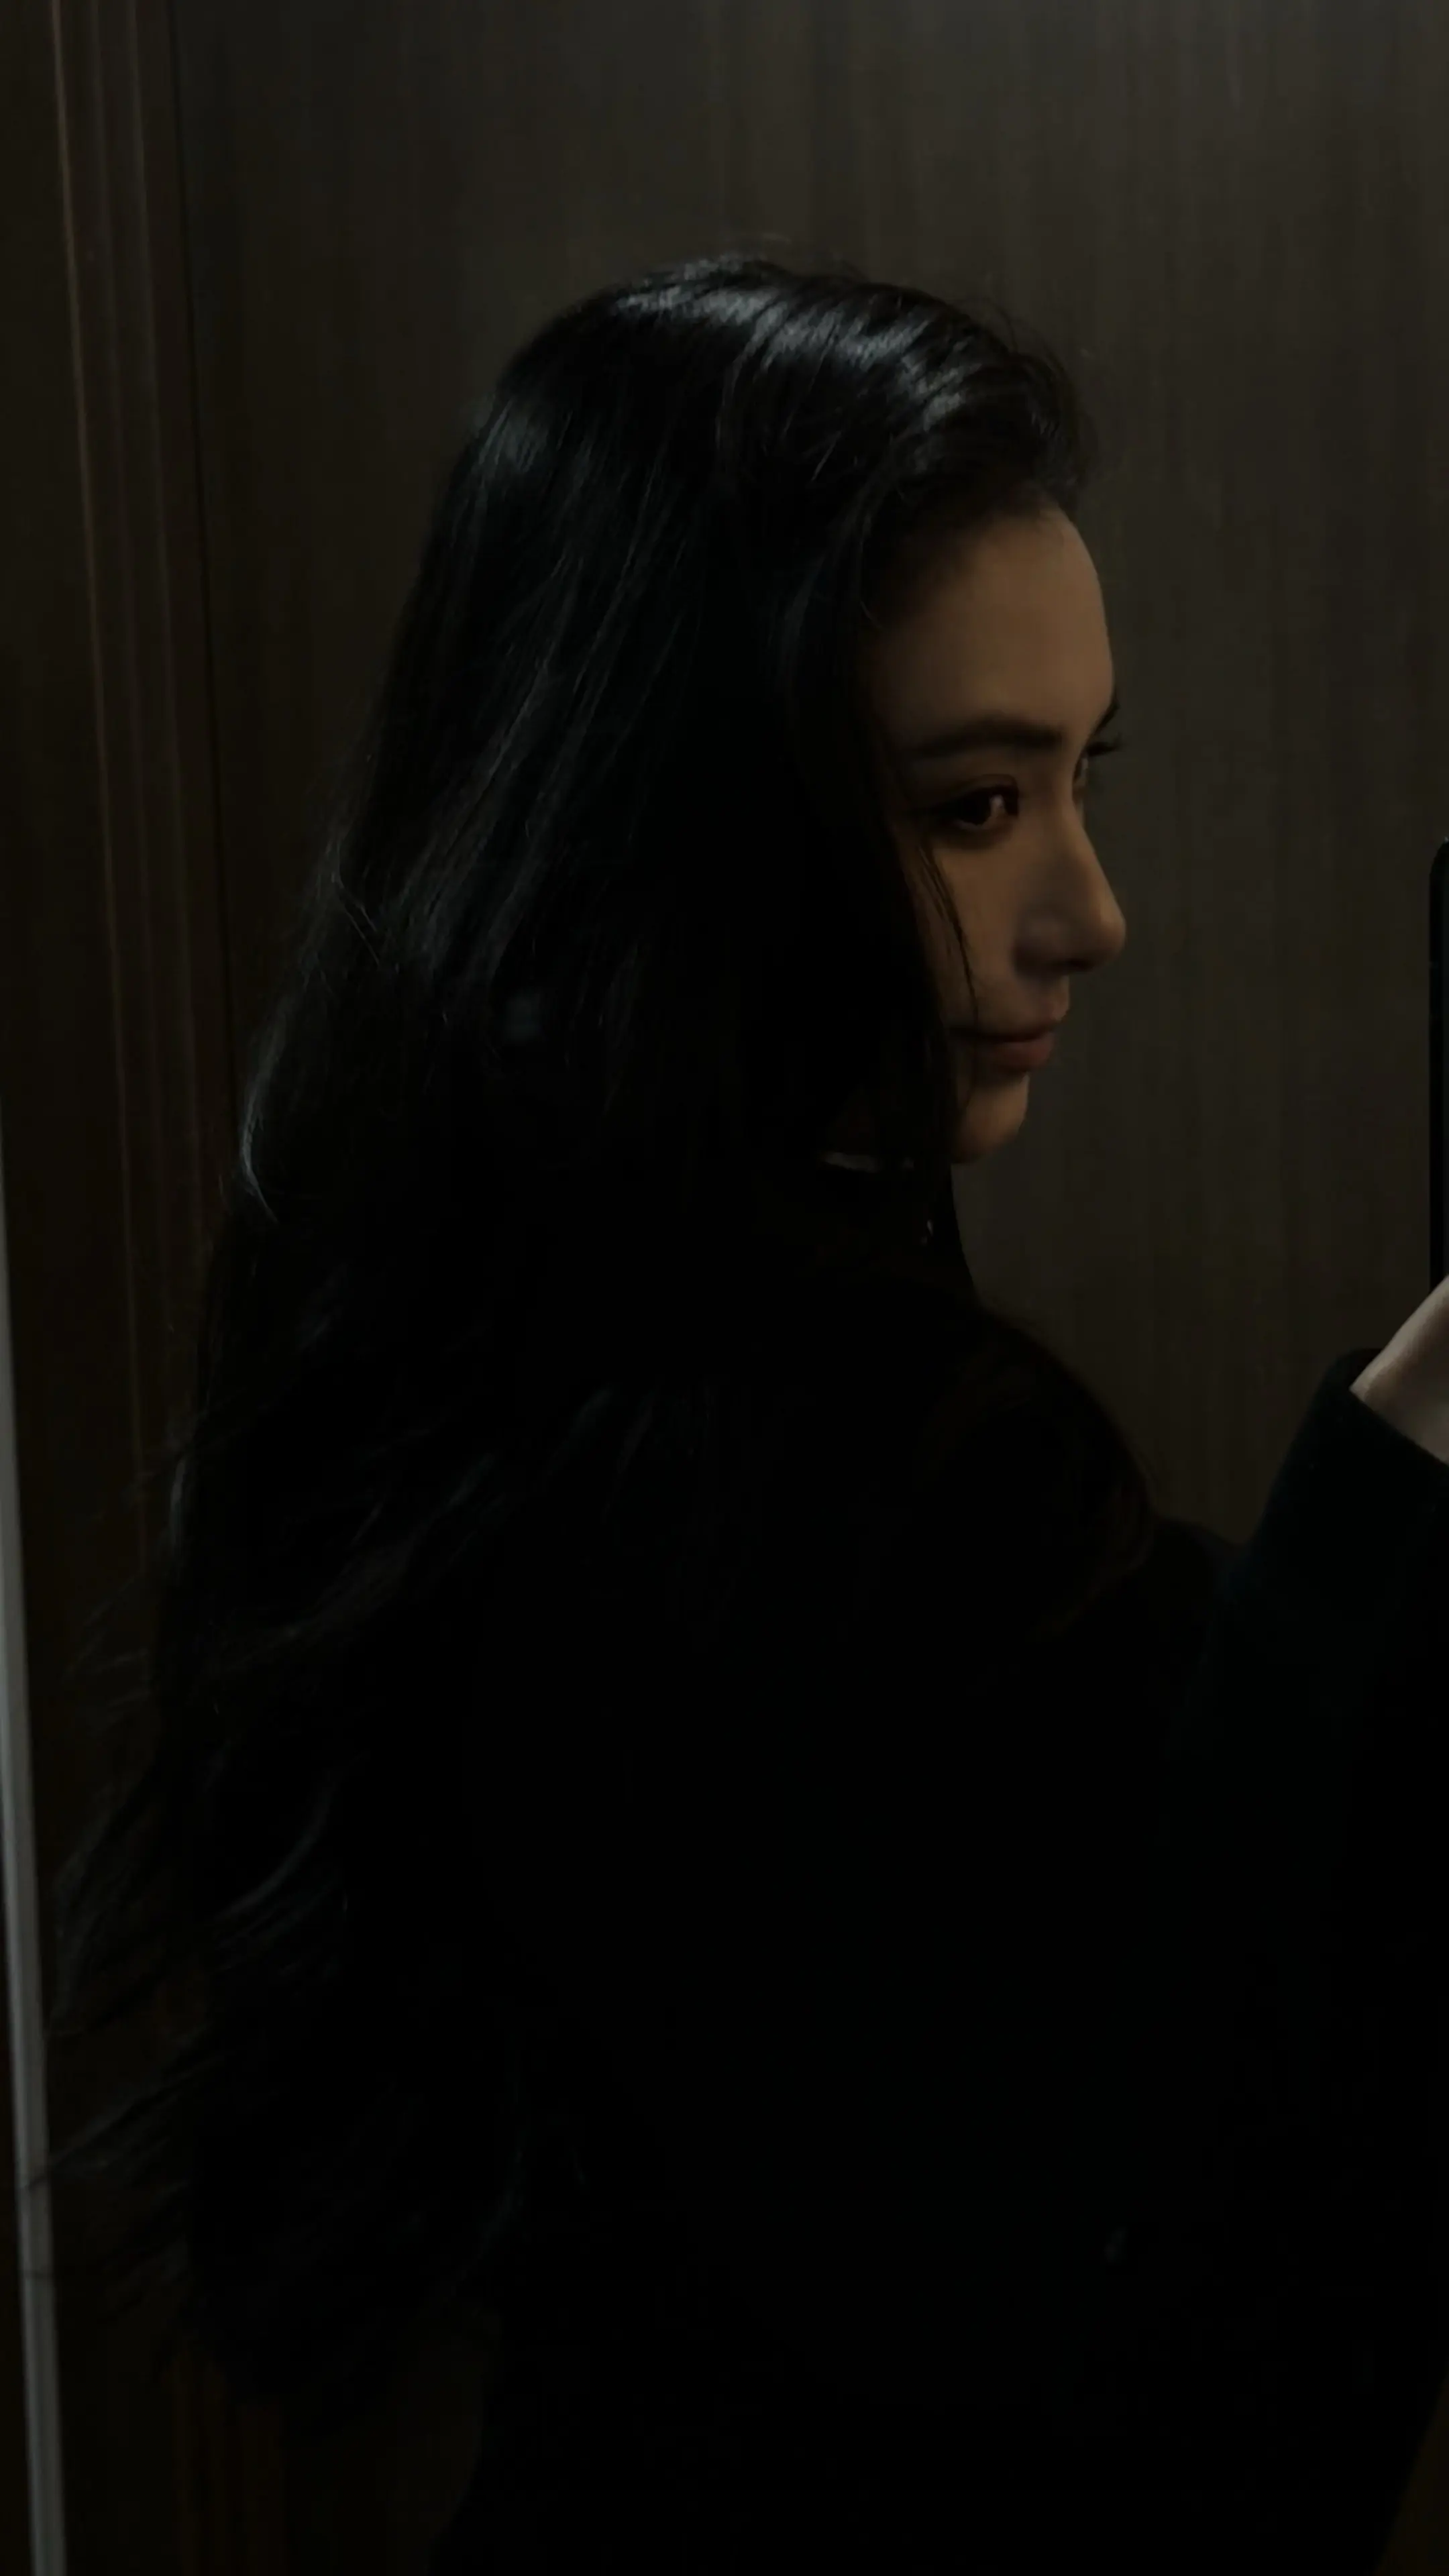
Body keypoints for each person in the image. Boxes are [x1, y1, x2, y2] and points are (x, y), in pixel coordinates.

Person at [32, 255, 1449, 2574]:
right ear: (691, 818)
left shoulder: (502, 1337)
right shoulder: (864, 1460)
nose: (1090, 910)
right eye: (975, 805)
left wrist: (1403, 1444)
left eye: (1080, 779)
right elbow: (1175, 2350)